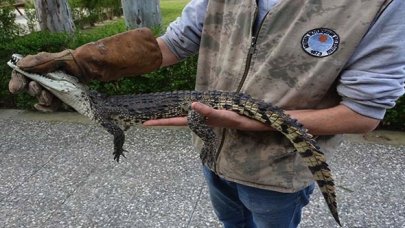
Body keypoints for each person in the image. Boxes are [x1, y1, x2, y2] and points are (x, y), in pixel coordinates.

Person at [9, 0, 405, 227]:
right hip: (212, 156)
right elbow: (173, 43)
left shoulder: (381, 6)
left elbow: (363, 112)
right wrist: (79, 63)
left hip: (277, 173)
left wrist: (245, 122)